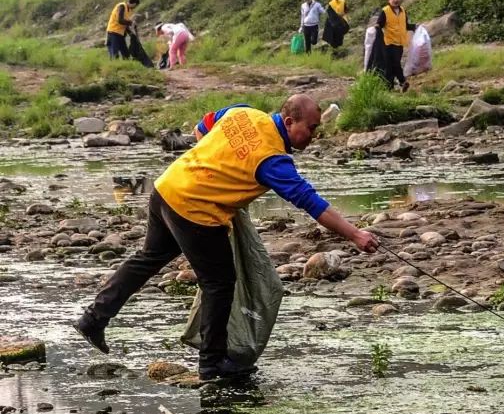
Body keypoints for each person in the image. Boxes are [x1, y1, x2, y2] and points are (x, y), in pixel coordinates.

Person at [73, 95, 380, 382]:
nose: (313, 135)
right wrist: (355, 234)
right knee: (219, 283)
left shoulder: (243, 113)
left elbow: (201, 128)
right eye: (311, 128)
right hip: (194, 211)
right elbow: (310, 202)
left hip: (167, 188)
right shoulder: (273, 159)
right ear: (289, 122)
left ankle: (93, 319)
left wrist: (219, 167)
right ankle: (212, 364)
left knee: (148, 259)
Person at [373, 0, 416, 91]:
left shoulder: (403, 11)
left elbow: (405, 25)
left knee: (394, 64)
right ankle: (401, 82)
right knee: (391, 64)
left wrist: (414, 27)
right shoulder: (385, 11)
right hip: (388, 42)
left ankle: (391, 86)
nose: (395, 0)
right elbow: (379, 24)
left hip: (399, 42)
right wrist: (377, 31)